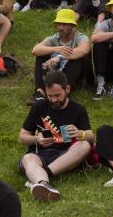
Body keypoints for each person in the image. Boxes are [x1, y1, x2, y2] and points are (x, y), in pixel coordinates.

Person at [17, 70, 93, 202]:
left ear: (67, 89)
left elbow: (91, 137)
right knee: (28, 158)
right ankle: (44, 184)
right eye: (50, 96)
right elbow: (22, 137)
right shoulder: (39, 107)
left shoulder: (78, 109)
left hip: (66, 154)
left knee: (85, 145)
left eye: (57, 95)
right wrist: (37, 139)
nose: (53, 100)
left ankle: (41, 176)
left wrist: (80, 133)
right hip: (39, 154)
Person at [30, 9, 91, 97]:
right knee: (41, 56)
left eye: (64, 24)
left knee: (77, 58)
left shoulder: (80, 37)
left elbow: (84, 50)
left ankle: (62, 92)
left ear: (72, 25)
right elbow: (35, 50)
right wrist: (56, 49)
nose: (60, 28)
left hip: (78, 76)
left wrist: (59, 57)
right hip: (59, 73)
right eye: (59, 24)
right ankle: (40, 92)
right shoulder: (54, 38)